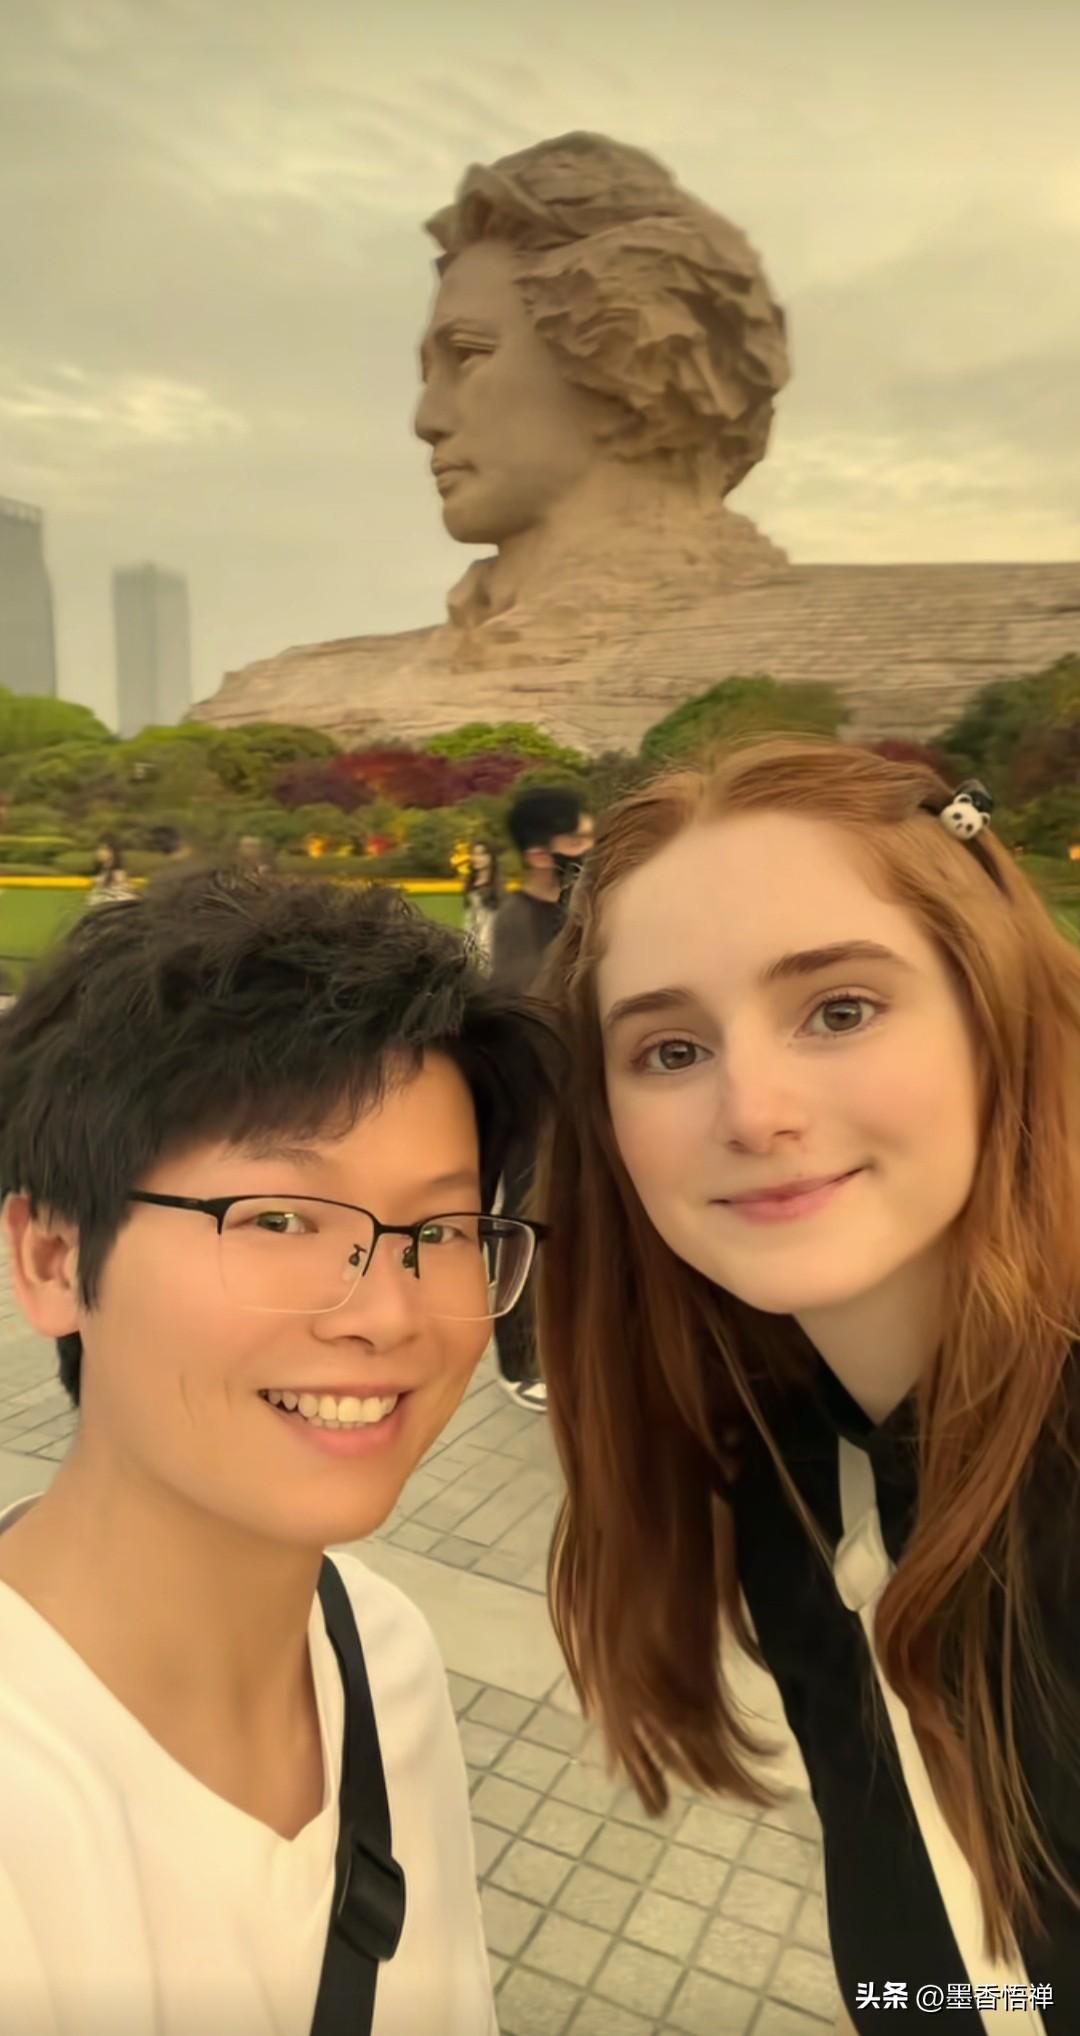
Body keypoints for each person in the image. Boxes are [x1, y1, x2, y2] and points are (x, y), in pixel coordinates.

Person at [537, 740, 1080, 2032]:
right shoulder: (777, 1475)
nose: (754, 1111)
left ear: (993, 1008)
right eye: (671, 1049)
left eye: (840, 1009)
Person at [0, 867, 558, 2035]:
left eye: (444, 1228)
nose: (389, 1313)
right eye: (280, 1217)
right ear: (52, 1258)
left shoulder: (382, 1648)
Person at [489, 786, 593, 1410]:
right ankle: (518, 1359)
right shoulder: (515, 921)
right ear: (538, 854)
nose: (589, 847)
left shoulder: (583, 908)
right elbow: (534, 1004)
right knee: (525, 1222)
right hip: (531, 1096)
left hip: (577, 1094)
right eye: (577, 839)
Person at [461, 840, 502, 969]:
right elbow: (469, 917)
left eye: (482, 854)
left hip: (491, 943)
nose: (477, 858)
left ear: (490, 858)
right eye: (475, 854)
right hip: (473, 939)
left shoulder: (496, 887)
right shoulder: (470, 883)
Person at [86, 834, 136, 906]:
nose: (99, 852)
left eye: (104, 849)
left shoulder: (117, 873)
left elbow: (127, 894)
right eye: (98, 849)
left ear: (113, 852)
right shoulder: (104, 870)